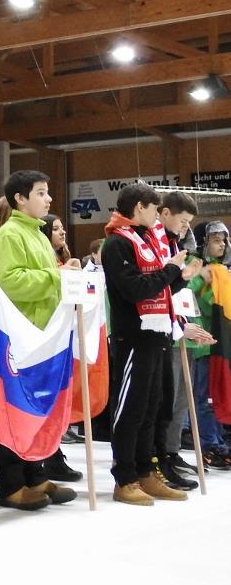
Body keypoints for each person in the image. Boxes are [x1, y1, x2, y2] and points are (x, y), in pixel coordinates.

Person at [100, 183, 199, 506]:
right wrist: (170, 270)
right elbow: (134, 289)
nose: (158, 217)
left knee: (151, 408)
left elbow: (160, 287)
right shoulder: (116, 243)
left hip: (157, 333)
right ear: (140, 207)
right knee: (130, 410)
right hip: (134, 336)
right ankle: (124, 476)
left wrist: (179, 277)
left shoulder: (147, 240)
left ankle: (145, 471)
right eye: (155, 210)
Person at [0, 170, 80, 510]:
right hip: (20, 335)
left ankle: (36, 473)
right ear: (20, 199)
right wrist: (56, 276)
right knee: (16, 406)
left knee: (38, 407)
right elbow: (10, 281)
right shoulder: (10, 235)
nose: (49, 199)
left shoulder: (38, 235)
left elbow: (43, 278)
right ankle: (10, 482)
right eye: (41, 193)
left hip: (42, 335)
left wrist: (61, 273)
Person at [155, 191, 202, 489]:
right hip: (158, 332)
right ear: (164, 213)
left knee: (181, 399)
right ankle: (157, 457)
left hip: (178, 327)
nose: (186, 228)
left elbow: (179, 290)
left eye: (189, 224)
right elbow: (154, 288)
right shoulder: (155, 244)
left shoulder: (179, 245)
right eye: (183, 222)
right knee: (163, 403)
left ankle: (170, 452)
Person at [37, 213, 86, 482]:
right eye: (55, 228)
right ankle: (46, 455)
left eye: (62, 227)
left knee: (58, 399)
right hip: (46, 335)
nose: (62, 232)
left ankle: (54, 453)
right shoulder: (49, 263)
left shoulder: (63, 260)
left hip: (62, 335)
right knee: (46, 399)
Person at [187, 221, 231, 470]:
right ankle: (208, 443)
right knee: (202, 398)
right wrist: (200, 277)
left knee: (217, 395)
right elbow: (194, 298)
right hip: (202, 343)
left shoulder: (221, 269)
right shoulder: (198, 266)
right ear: (204, 242)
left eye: (223, 240)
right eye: (215, 239)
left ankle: (219, 441)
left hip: (220, 344)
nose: (221, 244)